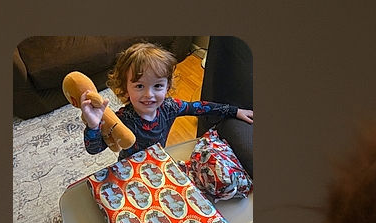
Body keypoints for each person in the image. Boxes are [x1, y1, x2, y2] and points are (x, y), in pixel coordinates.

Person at [80, 42, 253, 159]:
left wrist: (235, 111)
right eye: (139, 86)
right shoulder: (122, 119)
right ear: (125, 88)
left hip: (158, 162)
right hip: (129, 170)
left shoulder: (170, 107)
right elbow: (94, 149)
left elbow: (201, 107)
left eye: (157, 86)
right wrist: (93, 126)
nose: (149, 94)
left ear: (167, 86)